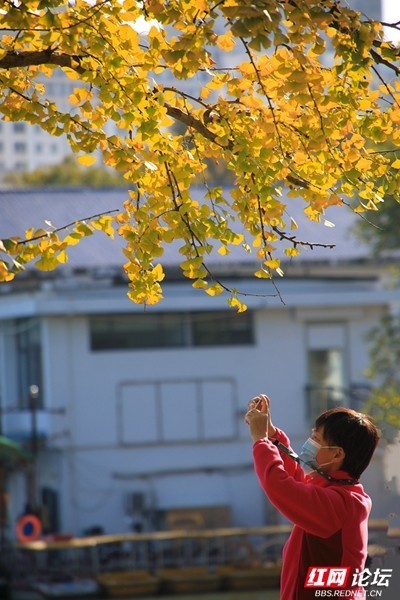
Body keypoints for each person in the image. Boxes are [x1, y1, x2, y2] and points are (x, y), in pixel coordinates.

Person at [245, 394, 379, 600]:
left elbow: (282, 487)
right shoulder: (340, 492)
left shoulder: (342, 503)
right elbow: (298, 482)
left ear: (337, 454)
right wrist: (272, 436)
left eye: (316, 439)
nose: (309, 443)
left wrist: (261, 441)